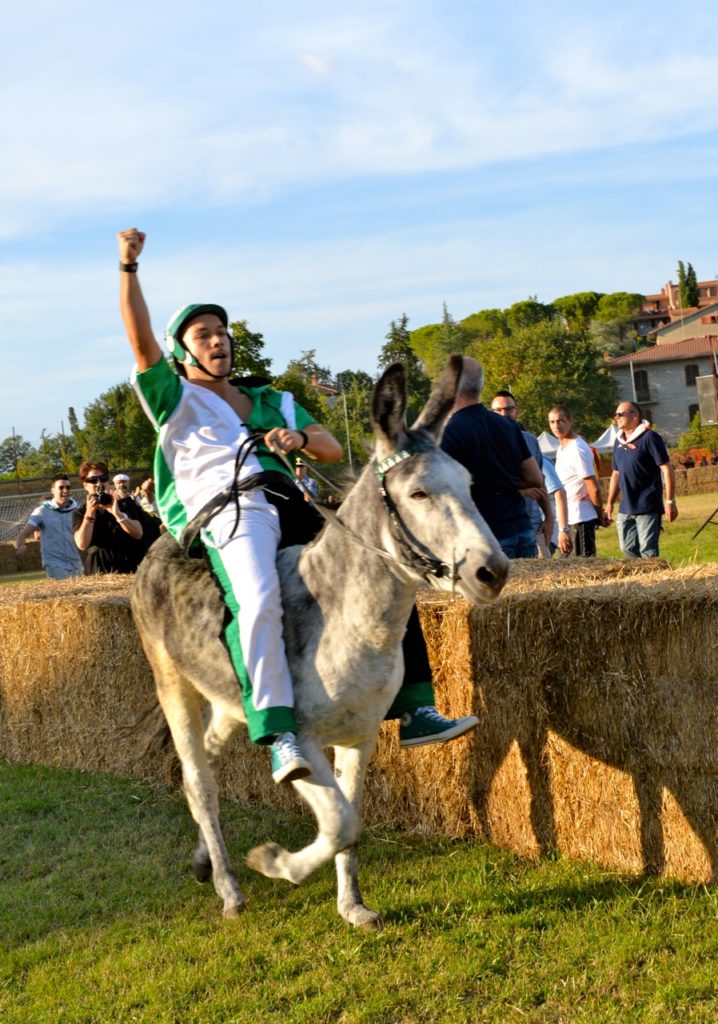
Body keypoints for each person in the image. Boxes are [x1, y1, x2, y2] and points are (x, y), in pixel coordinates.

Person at [117, 228, 478, 774]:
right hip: (228, 512)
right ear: (182, 350)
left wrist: (299, 440)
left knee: (393, 571)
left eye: (222, 332)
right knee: (258, 600)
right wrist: (128, 268)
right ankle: (278, 729)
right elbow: (139, 340)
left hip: (291, 505)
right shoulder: (173, 397)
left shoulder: (270, 399)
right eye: (203, 335)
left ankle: (416, 709)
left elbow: (331, 448)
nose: (218, 341)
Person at [441, 359, 546, 558]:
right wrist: (508, 483)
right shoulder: (508, 426)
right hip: (522, 530)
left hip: (486, 535)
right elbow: (535, 478)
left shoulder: (450, 433)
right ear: (480, 386)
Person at [604, 402, 677, 558]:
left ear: (635, 415)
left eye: (620, 414)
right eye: (615, 414)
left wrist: (670, 501)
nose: (616, 418)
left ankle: (658, 580)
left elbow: (666, 468)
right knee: (627, 549)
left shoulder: (650, 437)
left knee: (648, 552)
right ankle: (639, 581)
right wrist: (609, 503)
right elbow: (616, 473)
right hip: (626, 506)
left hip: (648, 504)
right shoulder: (618, 441)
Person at [490, 390, 554, 556]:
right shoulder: (484, 443)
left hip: (530, 526)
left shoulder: (530, 441)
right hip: (499, 530)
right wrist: (521, 491)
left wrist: (548, 518)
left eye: (510, 409)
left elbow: (540, 483)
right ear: (491, 413)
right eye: (499, 410)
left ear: (516, 411)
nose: (505, 414)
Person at [548, 405, 606, 557]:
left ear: (570, 421)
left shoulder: (578, 448)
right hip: (567, 517)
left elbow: (593, 487)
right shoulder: (562, 448)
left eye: (560, 421)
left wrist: (600, 515)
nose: (556, 426)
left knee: (583, 567)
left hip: (581, 517)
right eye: (552, 422)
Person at [73, 460, 144, 574]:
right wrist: (90, 513)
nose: (99, 483)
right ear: (85, 485)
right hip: (97, 570)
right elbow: (82, 544)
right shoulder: (80, 513)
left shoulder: (125, 504)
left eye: (103, 478)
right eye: (93, 480)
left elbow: (138, 533)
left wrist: (118, 515)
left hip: (127, 566)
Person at [15, 475, 84, 579]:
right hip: (54, 563)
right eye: (61, 487)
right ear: (52, 490)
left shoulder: (77, 510)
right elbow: (23, 534)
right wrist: (20, 545)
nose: (65, 490)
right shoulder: (42, 511)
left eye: (68, 487)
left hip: (76, 561)